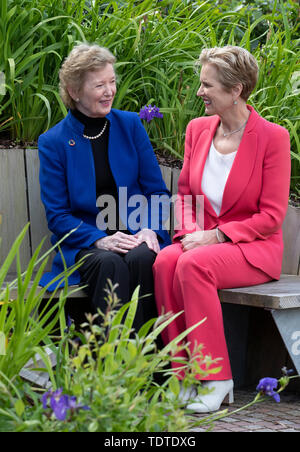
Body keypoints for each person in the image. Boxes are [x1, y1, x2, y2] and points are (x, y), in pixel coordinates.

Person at [153, 46, 291, 412]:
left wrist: (216, 236)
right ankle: (181, 375)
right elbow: (184, 195)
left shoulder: (273, 138)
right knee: (165, 262)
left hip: (253, 247)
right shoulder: (197, 129)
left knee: (193, 265)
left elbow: (272, 216)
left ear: (236, 90)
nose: (200, 92)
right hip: (202, 241)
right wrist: (187, 236)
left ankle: (215, 377)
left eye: (207, 85)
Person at [38, 43, 171, 330]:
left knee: (141, 256)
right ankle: (116, 360)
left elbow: (157, 193)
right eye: (100, 85)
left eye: (112, 82)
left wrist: (149, 229)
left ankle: (146, 361)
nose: (110, 91)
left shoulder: (131, 125)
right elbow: (58, 216)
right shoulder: (54, 142)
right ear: (74, 91)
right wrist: (99, 238)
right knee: (108, 261)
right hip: (87, 244)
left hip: (137, 233)